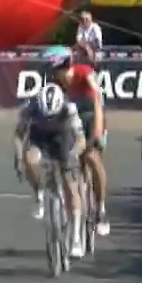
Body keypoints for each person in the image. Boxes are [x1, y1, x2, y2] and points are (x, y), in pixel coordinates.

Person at [13, 83, 89, 257]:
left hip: (63, 139)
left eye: (51, 116)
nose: (48, 119)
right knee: (29, 159)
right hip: (39, 139)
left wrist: (73, 155)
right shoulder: (30, 107)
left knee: (71, 185)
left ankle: (76, 236)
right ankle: (39, 194)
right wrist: (18, 158)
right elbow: (18, 135)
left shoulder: (69, 109)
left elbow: (81, 140)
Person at [41, 46, 110, 236]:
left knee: (92, 158)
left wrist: (97, 130)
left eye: (50, 68)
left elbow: (97, 101)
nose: (49, 73)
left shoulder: (85, 74)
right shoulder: (54, 82)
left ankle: (101, 210)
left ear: (61, 65)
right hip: (72, 118)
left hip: (92, 115)